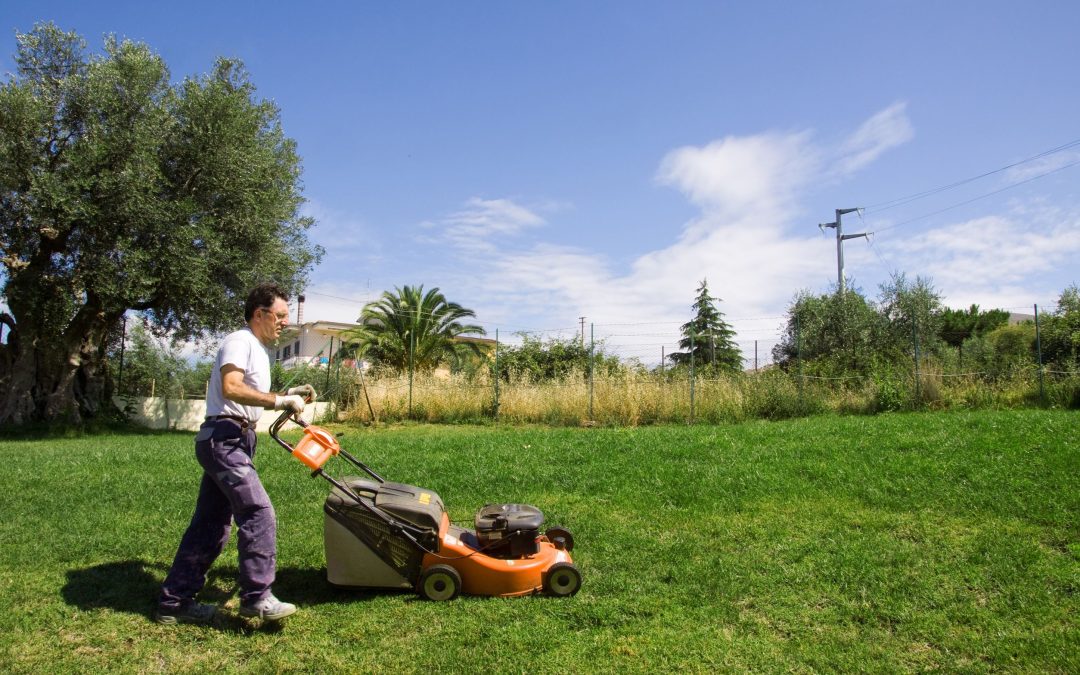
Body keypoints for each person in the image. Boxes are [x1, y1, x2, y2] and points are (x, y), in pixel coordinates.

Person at [154, 283, 317, 624]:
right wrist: (278, 400)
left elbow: (247, 393)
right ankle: (257, 598)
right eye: (281, 315)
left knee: (211, 525)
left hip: (235, 439)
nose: (285, 322)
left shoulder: (256, 347)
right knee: (258, 512)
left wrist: (288, 393)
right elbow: (231, 388)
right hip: (225, 440)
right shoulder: (239, 341)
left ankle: (174, 603)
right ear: (260, 314)